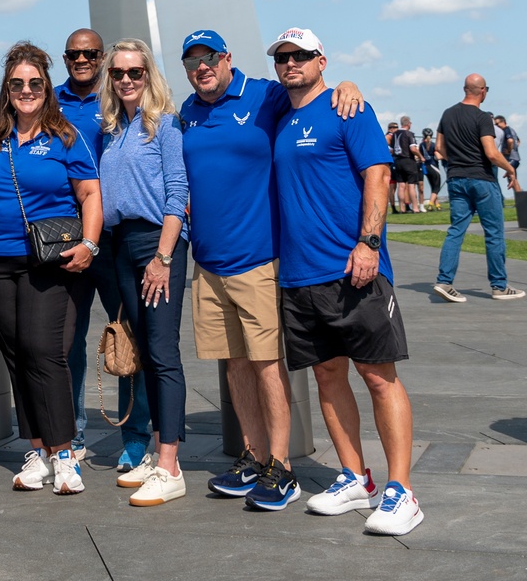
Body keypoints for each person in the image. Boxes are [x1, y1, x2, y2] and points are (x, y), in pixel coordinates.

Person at [179, 27, 362, 512]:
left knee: (266, 364)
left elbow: (315, 96)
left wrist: (348, 85)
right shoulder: (188, 112)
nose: (202, 67)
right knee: (234, 365)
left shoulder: (265, 94)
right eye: (192, 60)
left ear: (227, 58)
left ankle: (283, 468)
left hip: (258, 260)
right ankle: (254, 458)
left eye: (210, 58)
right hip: (209, 264)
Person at [270, 29, 422, 536]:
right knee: (327, 377)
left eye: (300, 55)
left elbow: (378, 174)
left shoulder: (348, 108)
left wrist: (369, 243)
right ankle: (356, 476)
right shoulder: (280, 116)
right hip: (298, 274)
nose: (290, 63)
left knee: (378, 377)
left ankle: (402, 492)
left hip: (351, 267)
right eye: (282, 57)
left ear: (321, 60)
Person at [0, 41, 102, 496]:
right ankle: (37, 452)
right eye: (17, 84)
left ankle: (64, 454)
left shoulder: (65, 135)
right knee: (17, 357)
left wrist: (89, 243)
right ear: (6, 90)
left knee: (46, 354)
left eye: (34, 83)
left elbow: (90, 194)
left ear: (46, 87)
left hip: (49, 261)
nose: (26, 90)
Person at [56, 28, 151, 470]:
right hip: (65, 236)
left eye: (91, 53)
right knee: (67, 341)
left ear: (103, 57)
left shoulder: (121, 98)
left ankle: (135, 436)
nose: (82, 60)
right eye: (74, 54)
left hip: (113, 239)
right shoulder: (47, 98)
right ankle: (71, 431)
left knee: (129, 337)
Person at [98, 40, 188, 507]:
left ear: (148, 75)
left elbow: (178, 193)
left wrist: (164, 257)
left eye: (135, 72)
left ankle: (170, 465)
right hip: (121, 246)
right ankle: (158, 451)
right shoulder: (113, 130)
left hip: (157, 243)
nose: (127, 80)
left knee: (162, 351)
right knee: (144, 353)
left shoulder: (165, 126)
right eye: (118, 73)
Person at [433, 75, 523, 304]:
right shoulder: (483, 117)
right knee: (493, 233)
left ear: (465, 89)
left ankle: (444, 281)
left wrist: (459, 160)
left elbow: (440, 149)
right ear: (483, 91)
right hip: (482, 179)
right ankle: (499, 286)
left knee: (456, 230)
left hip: (455, 179)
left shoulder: (448, 114)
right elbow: (491, 153)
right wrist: (510, 170)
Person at [393, 116, 422, 214]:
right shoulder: (409, 134)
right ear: (408, 123)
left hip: (398, 161)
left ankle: (402, 208)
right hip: (408, 160)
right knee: (411, 185)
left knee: (401, 185)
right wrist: (421, 156)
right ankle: (415, 207)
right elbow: (413, 149)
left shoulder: (395, 134)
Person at [420, 129, 441, 210]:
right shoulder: (433, 145)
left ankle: (437, 205)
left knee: (432, 186)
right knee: (436, 187)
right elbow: (438, 157)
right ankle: (430, 204)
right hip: (434, 166)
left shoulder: (422, 145)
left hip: (426, 167)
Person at [385, 124, 400, 214]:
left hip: (393, 161)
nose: (396, 129)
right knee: (392, 186)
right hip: (391, 162)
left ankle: (396, 206)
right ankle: (393, 206)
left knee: (395, 185)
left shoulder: (394, 137)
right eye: (394, 127)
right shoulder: (388, 137)